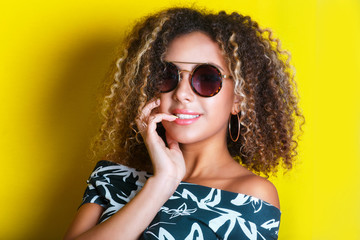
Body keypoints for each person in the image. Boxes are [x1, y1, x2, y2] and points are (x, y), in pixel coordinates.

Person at [64, 7, 303, 240]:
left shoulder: (250, 196)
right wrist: (163, 182)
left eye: (207, 79)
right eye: (167, 75)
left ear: (238, 99)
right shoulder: (113, 176)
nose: (182, 93)